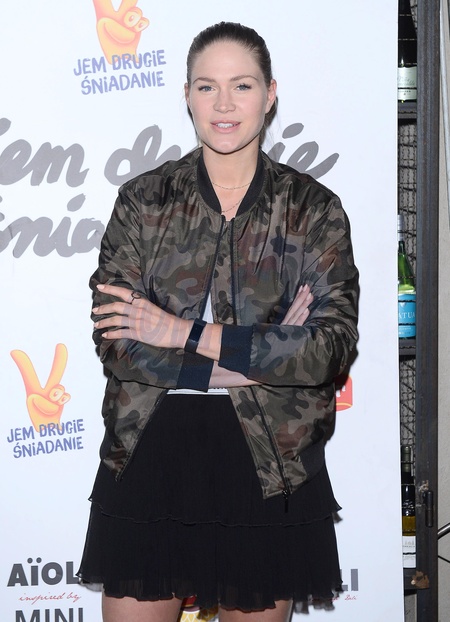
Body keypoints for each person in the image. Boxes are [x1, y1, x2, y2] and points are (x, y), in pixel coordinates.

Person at [77, 21, 359, 622]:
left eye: (242, 86)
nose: (224, 104)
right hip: (149, 452)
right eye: (207, 87)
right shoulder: (144, 202)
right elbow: (116, 342)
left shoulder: (312, 211)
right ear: (187, 96)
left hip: (272, 460)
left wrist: (178, 331)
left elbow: (328, 349)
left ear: (270, 94)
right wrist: (253, 363)